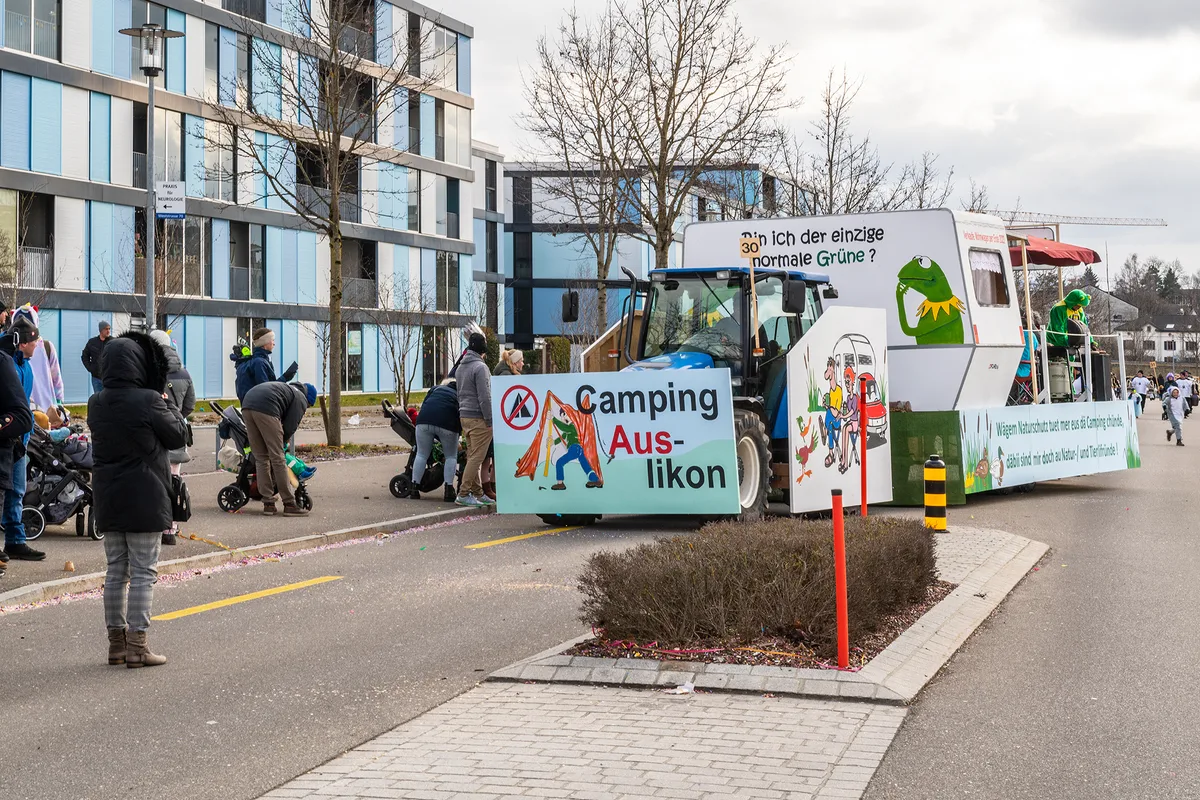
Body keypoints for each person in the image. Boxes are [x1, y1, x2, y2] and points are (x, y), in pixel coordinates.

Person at [89, 331, 189, 667]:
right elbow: (177, 435)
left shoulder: (96, 401)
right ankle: (138, 646)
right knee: (144, 571)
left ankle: (115, 645)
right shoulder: (149, 400)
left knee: (116, 570)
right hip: (145, 495)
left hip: (108, 494)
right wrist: (166, 400)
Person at [241, 380, 316, 516]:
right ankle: (289, 503)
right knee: (278, 458)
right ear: (309, 400)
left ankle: (268, 503)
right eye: (309, 406)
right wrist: (283, 443)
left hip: (247, 404)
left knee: (261, 458)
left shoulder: (287, 389)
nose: (306, 408)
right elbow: (290, 426)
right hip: (266, 408)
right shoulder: (300, 398)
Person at [151, 330, 195, 546]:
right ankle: (172, 529)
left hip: (154, 434)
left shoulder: (149, 371)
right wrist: (176, 418)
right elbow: (190, 404)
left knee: (154, 480)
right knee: (174, 479)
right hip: (176, 432)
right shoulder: (184, 373)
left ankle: (156, 524)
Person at [0, 317, 37, 567]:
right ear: (23, 343)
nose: (37, 345)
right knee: (7, 490)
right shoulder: (7, 363)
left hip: (20, 437)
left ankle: (15, 539)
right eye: (34, 341)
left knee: (16, 490)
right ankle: (13, 538)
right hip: (9, 436)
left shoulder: (26, 366)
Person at [455, 332, 494, 507]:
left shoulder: (461, 367)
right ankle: (463, 493)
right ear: (483, 350)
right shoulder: (481, 368)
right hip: (479, 418)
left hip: (465, 416)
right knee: (477, 458)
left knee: (472, 455)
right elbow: (485, 397)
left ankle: (478, 492)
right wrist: (490, 420)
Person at [410, 379, 460, 502]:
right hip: (447, 424)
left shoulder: (435, 389)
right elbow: (460, 415)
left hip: (423, 421)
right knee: (451, 457)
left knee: (421, 454)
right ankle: (449, 490)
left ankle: (414, 488)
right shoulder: (460, 395)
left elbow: (425, 404)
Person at [11, 305, 65, 415]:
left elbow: (56, 378)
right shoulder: (10, 352)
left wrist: (59, 402)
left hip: (47, 410)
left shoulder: (47, 347)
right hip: (24, 410)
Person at [233, 327, 298, 402]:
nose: (274, 343)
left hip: (249, 405)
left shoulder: (253, 361)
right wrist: (285, 377)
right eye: (272, 340)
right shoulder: (259, 363)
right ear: (265, 342)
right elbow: (267, 390)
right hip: (258, 407)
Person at [81, 320, 112, 395]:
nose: (108, 331)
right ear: (101, 330)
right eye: (106, 329)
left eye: (109, 329)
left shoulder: (113, 342)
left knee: (109, 398)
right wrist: (90, 368)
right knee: (98, 399)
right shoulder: (92, 342)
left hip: (109, 378)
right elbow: (84, 356)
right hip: (96, 378)